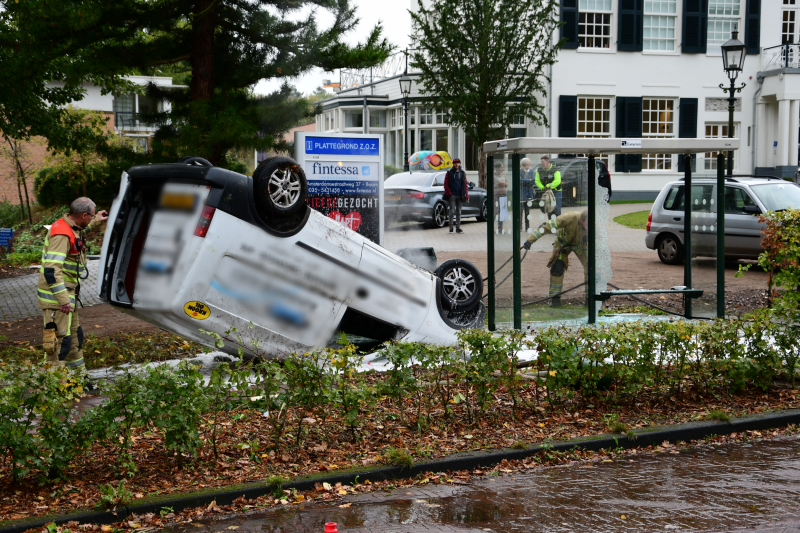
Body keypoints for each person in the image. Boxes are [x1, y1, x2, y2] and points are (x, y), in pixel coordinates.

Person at [38, 197, 108, 384]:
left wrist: (96, 220)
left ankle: (78, 381)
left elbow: (79, 232)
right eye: (91, 215)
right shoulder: (61, 234)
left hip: (67, 295)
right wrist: (63, 300)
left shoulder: (71, 227)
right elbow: (51, 270)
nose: (91, 218)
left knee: (74, 338)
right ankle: (53, 385)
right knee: (58, 343)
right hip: (57, 300)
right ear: (83, 215)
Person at [522, 209, 588, 307]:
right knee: (557, 268)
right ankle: (555, 299)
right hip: (562, 244)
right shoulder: (568, 218)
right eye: (587, 224)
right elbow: (546, 226)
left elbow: (600, 243)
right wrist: (530, 240)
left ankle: (590, 299)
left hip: (581, 246)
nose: (588, 227)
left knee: (591, 268)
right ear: (581, 220)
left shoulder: (593, 224)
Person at [443, 158, 469, 233]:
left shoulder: (462, 173)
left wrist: (466, 195)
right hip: (452, 195)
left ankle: (458, 228)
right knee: (452, 211)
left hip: (460, 195)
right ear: (453, 164)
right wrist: (449, 194)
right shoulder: (449, 173)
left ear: (460, 164)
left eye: (457, 163)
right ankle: (451, 228)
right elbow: (445, 184)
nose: (456, 164)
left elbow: (465, 185)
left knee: (459, 212)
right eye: (455, 163)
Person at [520, 158, 536, 231]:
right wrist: (528, 180)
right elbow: (520, 181)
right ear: (524, 164)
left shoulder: (531, 171)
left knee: (527, 211)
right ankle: (520, 226)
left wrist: (526, 181)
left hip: (528, 193)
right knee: (520, 211)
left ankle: (527, 226)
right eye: (528, 162)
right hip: (521, 193)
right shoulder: (520, 171)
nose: (529, 164)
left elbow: (533, 181)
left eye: (529, 162)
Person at [494, 162, 508, 233]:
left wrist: (505, 184)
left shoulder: (504, 174)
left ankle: (500, 228)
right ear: (497, 168)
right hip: (496, 195)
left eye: (502, 167)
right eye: (501, 167)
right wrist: (499, 184)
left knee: (502, 212)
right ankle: (491, 228)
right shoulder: (493, 175)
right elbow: (491, 185)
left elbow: (507, 183)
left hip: (503, 194)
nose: (502, 169)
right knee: (495, 210)